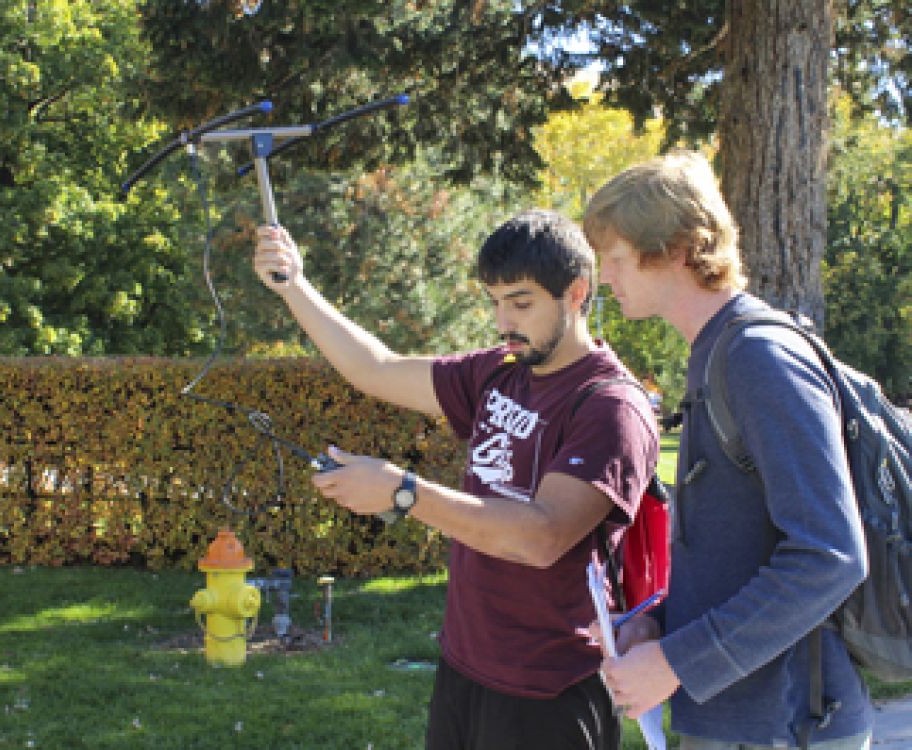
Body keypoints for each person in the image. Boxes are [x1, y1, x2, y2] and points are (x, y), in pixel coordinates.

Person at [253, 209, 659, 750]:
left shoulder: (611, 406)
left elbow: (541, 536)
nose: (504, 322)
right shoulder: (498, 370)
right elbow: (375, 368)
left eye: (521, 303)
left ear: (577, 292)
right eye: (495, 302)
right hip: (465, 667)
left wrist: (404, 492)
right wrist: (294, 286)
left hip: (550, 689)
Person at [582, 151, 873, 749]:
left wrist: (678, 661)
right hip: (739, 722)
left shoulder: (758, 358)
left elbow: (831, 555)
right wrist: (658, 623)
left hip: (790, 725)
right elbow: (738, 550)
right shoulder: (715, 352)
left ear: (676, 250)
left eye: (616, 257)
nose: (605, 277)